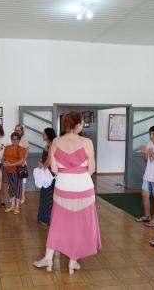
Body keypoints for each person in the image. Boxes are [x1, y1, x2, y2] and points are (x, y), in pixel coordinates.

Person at [34, 111, 101, 274]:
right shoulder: (87, 142)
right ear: (78, 125)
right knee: (80, 223)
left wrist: (67, 173)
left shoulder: (56, 141)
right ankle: (73, 261)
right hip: (84, 185)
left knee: (58, 222)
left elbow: (54, 168)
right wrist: (79, 171)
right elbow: (92, 168)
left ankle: (48, 258)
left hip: (63, 184)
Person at [2, 132, 27, 214]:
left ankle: (17, 206)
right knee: (11, 188)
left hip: (17, 171)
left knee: (18, 189)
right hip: (8, 171)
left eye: (16, 139)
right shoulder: (7, 148)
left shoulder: (21, 149)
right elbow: (3, 157)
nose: (15, 140)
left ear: (19, 140)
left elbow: (22, 161)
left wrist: (11, 164)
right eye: (13, 139)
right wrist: (3, 162)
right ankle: (12, 206)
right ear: (11, 139)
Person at [37, 127, 57, 225]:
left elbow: (49, 161)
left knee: (48, 196)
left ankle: (48, 220)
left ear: (48, 135)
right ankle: (43, 217)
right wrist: (41, 163)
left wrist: (43, 167)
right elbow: (45, 159)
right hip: (45, 172)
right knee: (44, 195)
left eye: (44, 133)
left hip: (50, 174)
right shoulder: (46, 145)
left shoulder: (52, 145)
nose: (42, 135)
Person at [14, 124, 29, 203]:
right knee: (14, 180)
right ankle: (15, 197)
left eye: (18, 130)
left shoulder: (24, 139)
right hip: (13, 162)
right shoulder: (13, 138)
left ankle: (22, 197)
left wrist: (23, 160)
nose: (16, 131)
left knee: (22, 180)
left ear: (22, 131)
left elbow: (27, 151)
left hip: (21, 161)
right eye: (15, 130)